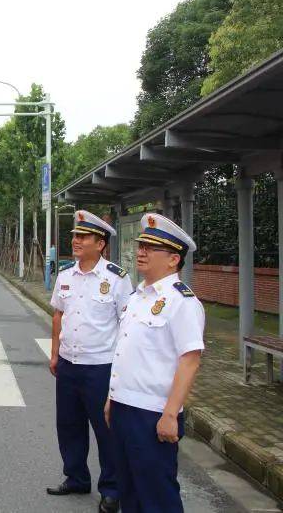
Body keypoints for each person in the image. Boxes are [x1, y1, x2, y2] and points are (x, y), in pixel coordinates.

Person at [105, 213, 204, 513]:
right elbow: (127, 353)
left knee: (157, 496)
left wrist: (171, 414)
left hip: (152, 414)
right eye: (141, 245)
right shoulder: (137, 297)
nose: (141, 251)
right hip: (123, 407)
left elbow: (190, 361)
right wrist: (112, 399)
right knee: (130, 491)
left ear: (174, 259)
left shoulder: (182, 302)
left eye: (151, 247)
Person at [47, 210, 133, 513]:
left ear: (101, 243)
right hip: (69, 364)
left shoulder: (117, 279)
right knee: (68, 425)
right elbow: (58, 314)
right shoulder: (66, 275)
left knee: (106, 431)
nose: (75, 241)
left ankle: (111, 490)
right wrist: (55, 352)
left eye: (82, 237)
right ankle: (76, 477)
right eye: (74, 236)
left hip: (101, 368)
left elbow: (127, 325)